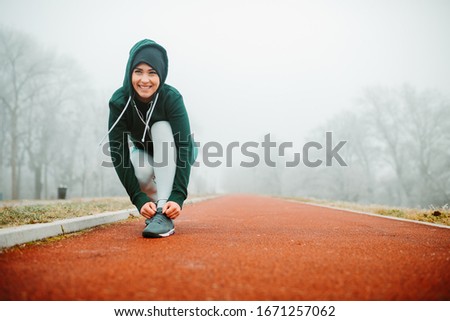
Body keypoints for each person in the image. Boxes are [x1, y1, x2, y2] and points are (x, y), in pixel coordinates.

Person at [104, 39, 195, 238]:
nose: (144, 80)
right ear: (130, 73)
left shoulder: (171, 98)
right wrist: (138, 199)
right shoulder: (119, 102)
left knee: (160, 126)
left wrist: (177, 196)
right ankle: (155, 210)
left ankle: (164, 211)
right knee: (142, 169)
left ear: (161, 75)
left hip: (173, 149)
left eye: (152, 73)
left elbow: (184, 146)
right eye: (138, 71)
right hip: (144, 152)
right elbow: (118, 152)